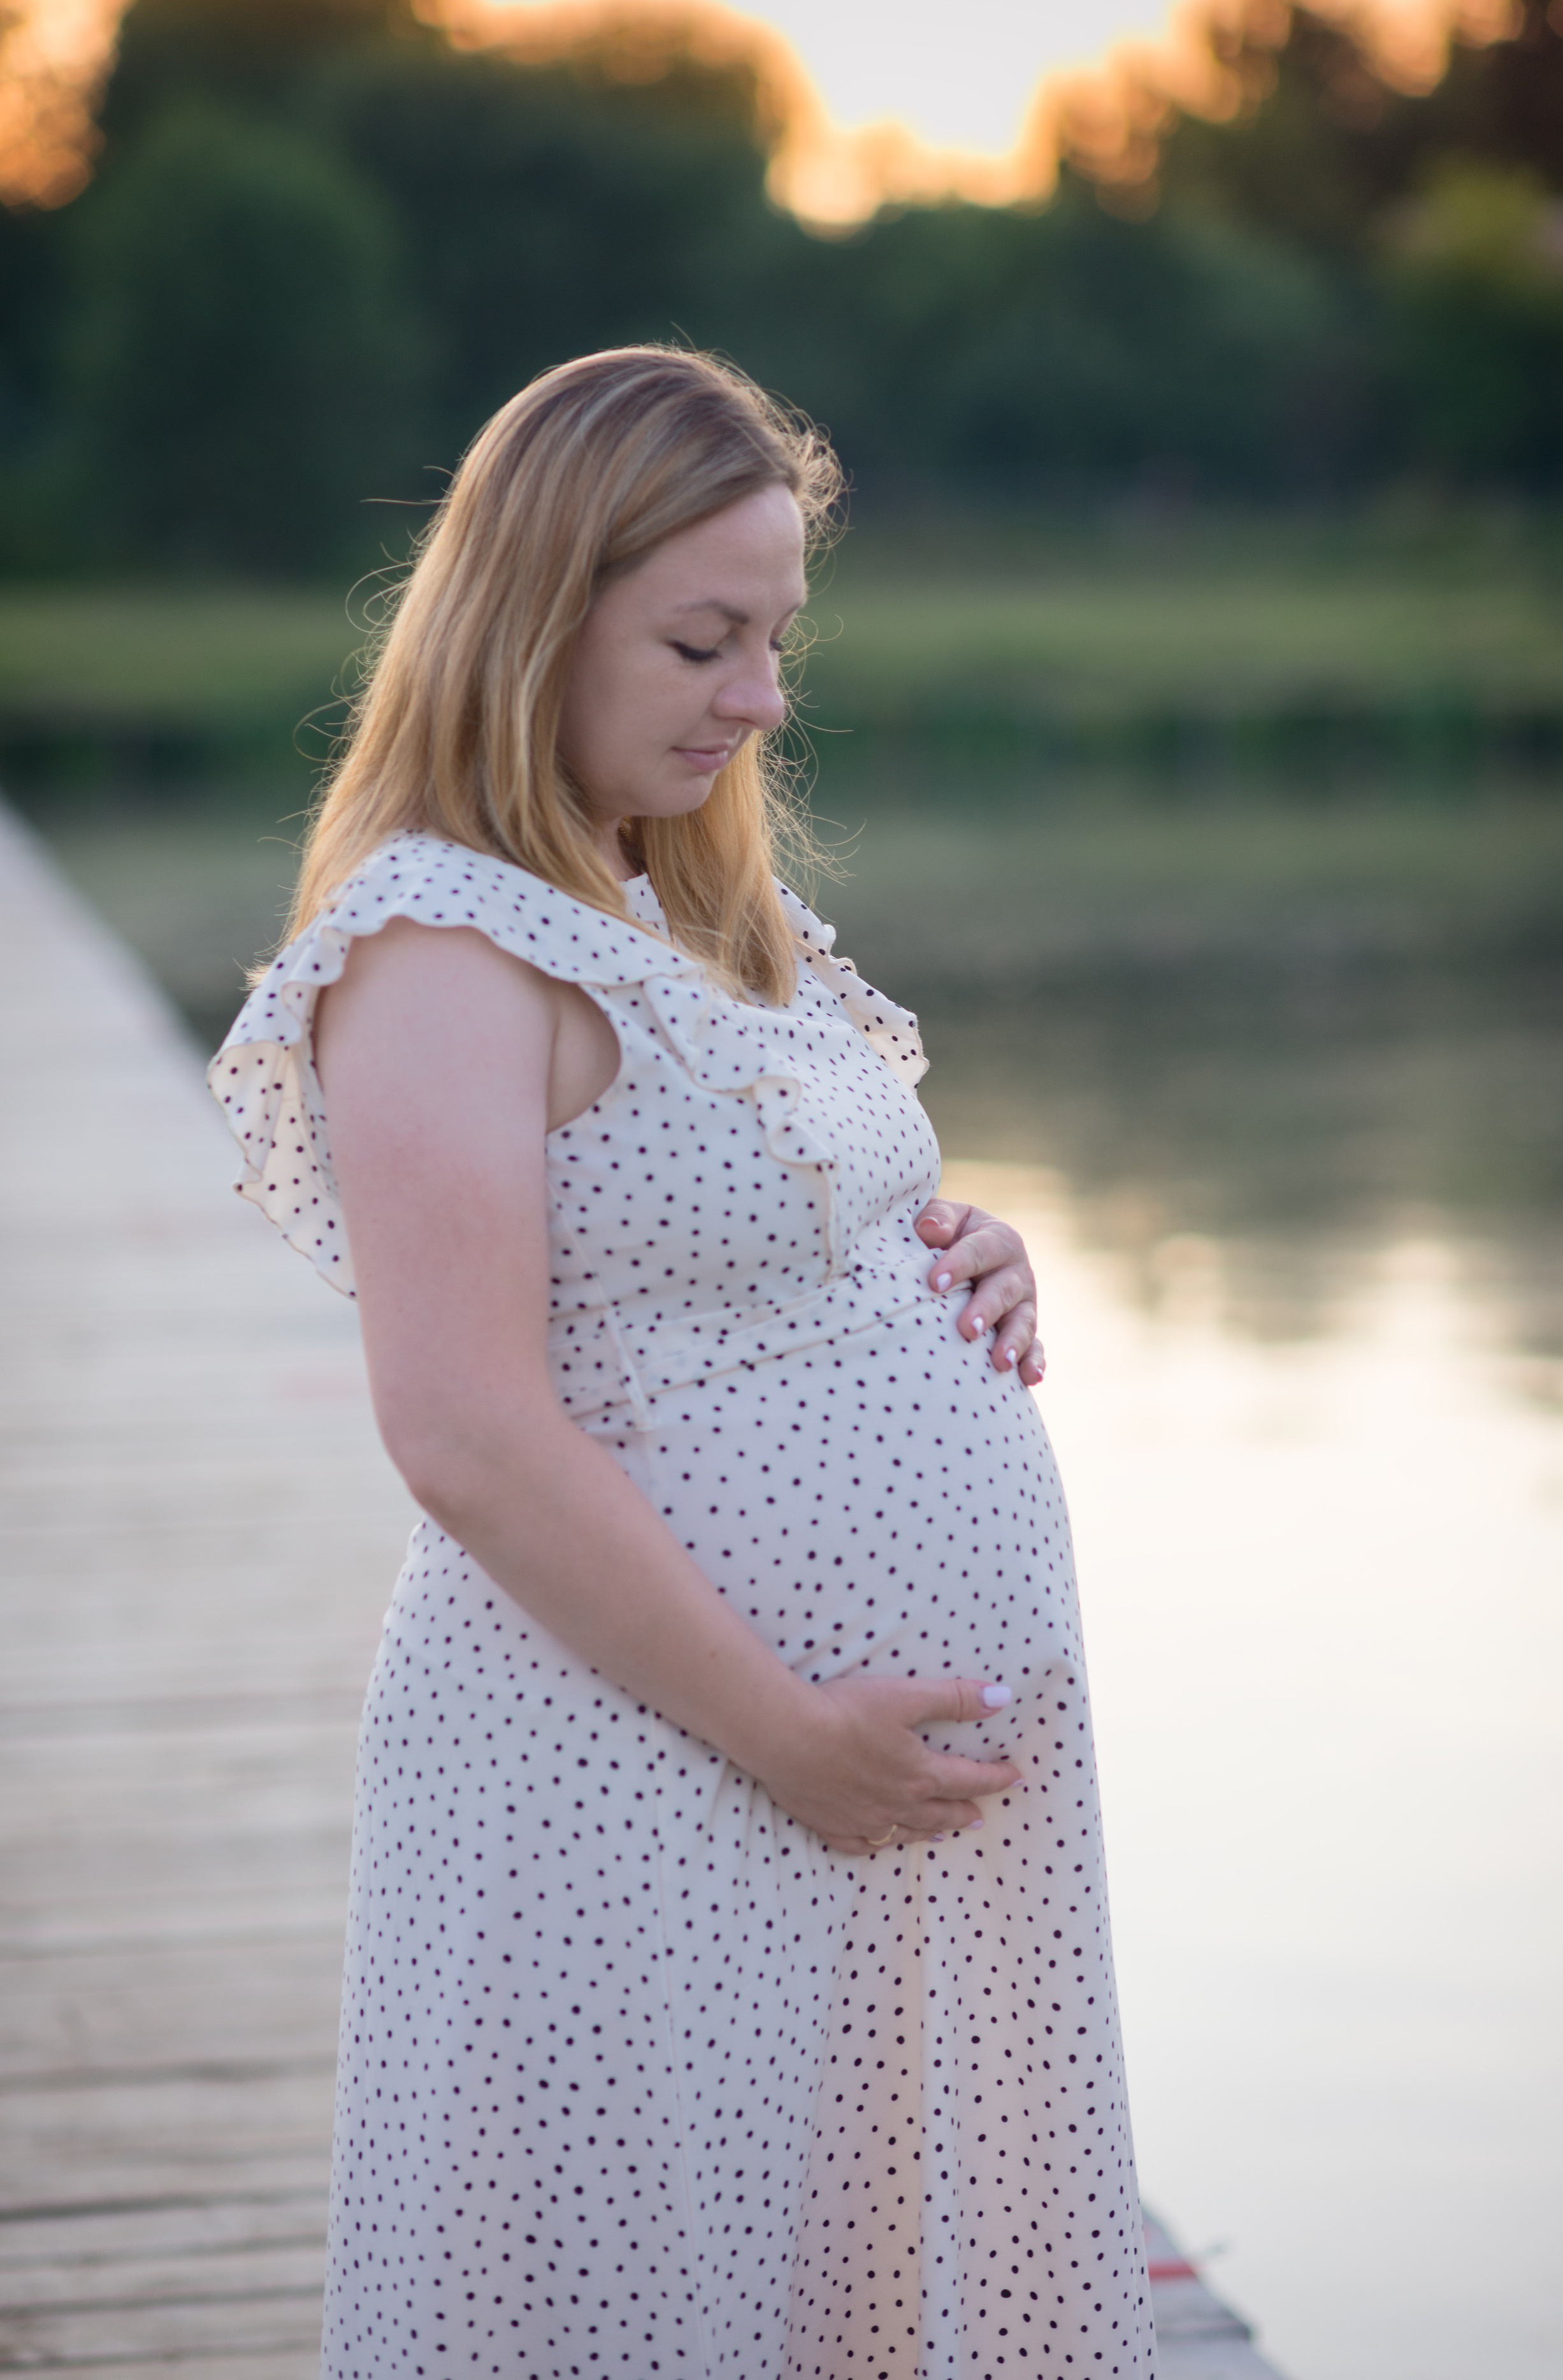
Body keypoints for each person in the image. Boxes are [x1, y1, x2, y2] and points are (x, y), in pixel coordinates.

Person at [210, 346, 1155, 2379]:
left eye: (778, 639)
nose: (760, 700)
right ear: (535, 618)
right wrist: (789, 1731)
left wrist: (950, 1254)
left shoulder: (686, 898)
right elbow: (462, 1423)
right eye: (704, 639)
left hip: (847, 1789)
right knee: (656, 2297)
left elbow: (747, 1219)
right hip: (645, 1769)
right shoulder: (443, 947)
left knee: (839, 2292)